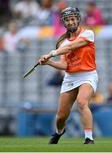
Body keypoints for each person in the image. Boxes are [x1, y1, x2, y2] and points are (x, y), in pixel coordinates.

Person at [38, 7, 98, 144]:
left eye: (73, 19)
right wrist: (49, 62)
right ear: (64, 23)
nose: (70, 22)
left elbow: (71, 47)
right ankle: (60, 132)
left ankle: (89, 137)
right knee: (60, 117)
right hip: (70, 77)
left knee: (82, 102)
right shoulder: (62, 42)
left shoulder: (88, 34)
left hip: (88, 75)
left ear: (78, 19)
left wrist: (52, 53)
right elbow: (65, 66)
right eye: (67, 20)